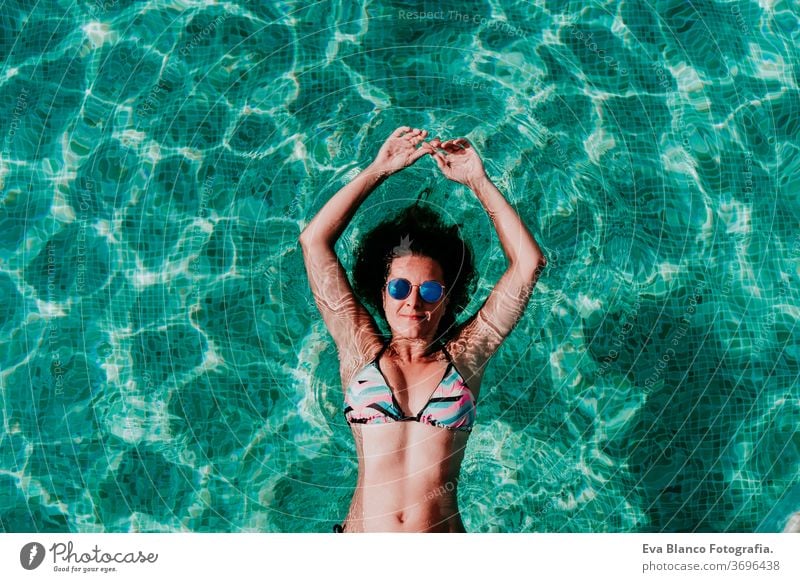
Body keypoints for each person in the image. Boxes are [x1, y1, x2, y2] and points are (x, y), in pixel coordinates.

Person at [299, 126, 547, 532]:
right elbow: (314, 243)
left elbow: (527, 265)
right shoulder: (361, 348)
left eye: (430, 290)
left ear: (447, 299)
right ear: (381, 295)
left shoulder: (465, 356)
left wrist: (478, 181)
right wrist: (379, 169)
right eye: (399, 287)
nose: (413, 302)